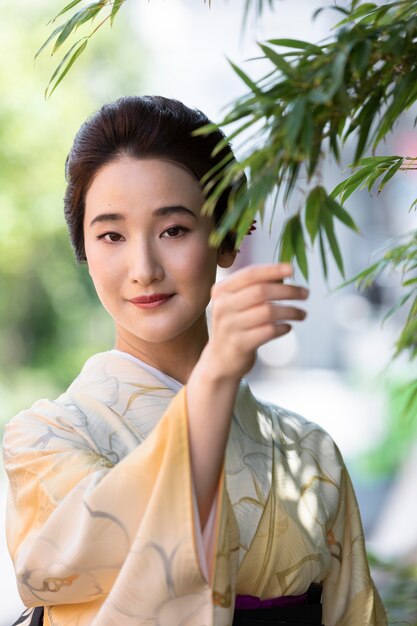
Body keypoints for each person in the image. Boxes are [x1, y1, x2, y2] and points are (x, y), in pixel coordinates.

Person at [3, 95, 387, 626]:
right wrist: (213, 381)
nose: (143, 268)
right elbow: (60, 571)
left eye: (174, 230)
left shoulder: (310, 453)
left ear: (227, 238)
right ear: (85, 252)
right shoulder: (46, 439)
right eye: (111, 235)